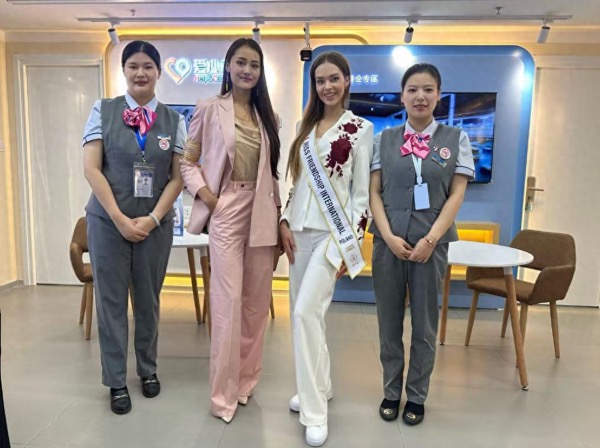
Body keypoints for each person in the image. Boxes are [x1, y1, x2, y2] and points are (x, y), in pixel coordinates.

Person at [82, 40, 186, 415]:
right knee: (110, 302)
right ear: (124, 71)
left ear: (158, 72)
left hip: (154, 225)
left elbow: (178, 178)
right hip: (107, 223)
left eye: (148, 67)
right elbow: (91, 168)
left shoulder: (175, 121)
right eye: (133, 66)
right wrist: (119, 218)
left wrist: (154, 218)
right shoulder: (103, 110)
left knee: (148, 300)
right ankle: (115, 381)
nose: (140, 73)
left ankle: (147, 369)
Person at [181, 38, 281, 423]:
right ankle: (222, 395)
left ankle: (245, 382)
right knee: (227, 302)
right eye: (241, 62)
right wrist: (209, 197)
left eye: (254, 65)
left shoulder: (268, 117)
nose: (247, 70)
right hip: (227, 207)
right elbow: (188, 162)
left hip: (263, 210)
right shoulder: (209, 108)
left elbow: (272, 174)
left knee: (256, 305)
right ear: (228, 66)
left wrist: (279, 216)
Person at [369, 63, 475, 425]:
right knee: (388, 322)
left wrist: (431, 239)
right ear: (402, 96)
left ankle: (416, 395)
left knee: (425, 325)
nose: (420, 96)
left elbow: (456, 195)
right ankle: (391, 390)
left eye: (428, 89)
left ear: (439, 95)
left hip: (432, 244)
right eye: (412, 89)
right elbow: (373, 192)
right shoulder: (383, 139)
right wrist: (387, 236)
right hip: (388, 243)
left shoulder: (455, 139)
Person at [279, 51, 373, 447]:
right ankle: (321, 385)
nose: (327, 86)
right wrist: (285, 220)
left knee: (304, 313)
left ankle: (315, 412)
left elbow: (361, 196)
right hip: (299, 234)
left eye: (334, 78)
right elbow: (298, 183)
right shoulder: (305, 127)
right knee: (308, 316)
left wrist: (349, 245)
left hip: (332, 237)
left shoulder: (361, 129)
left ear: (347, 81)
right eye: (320, 80)